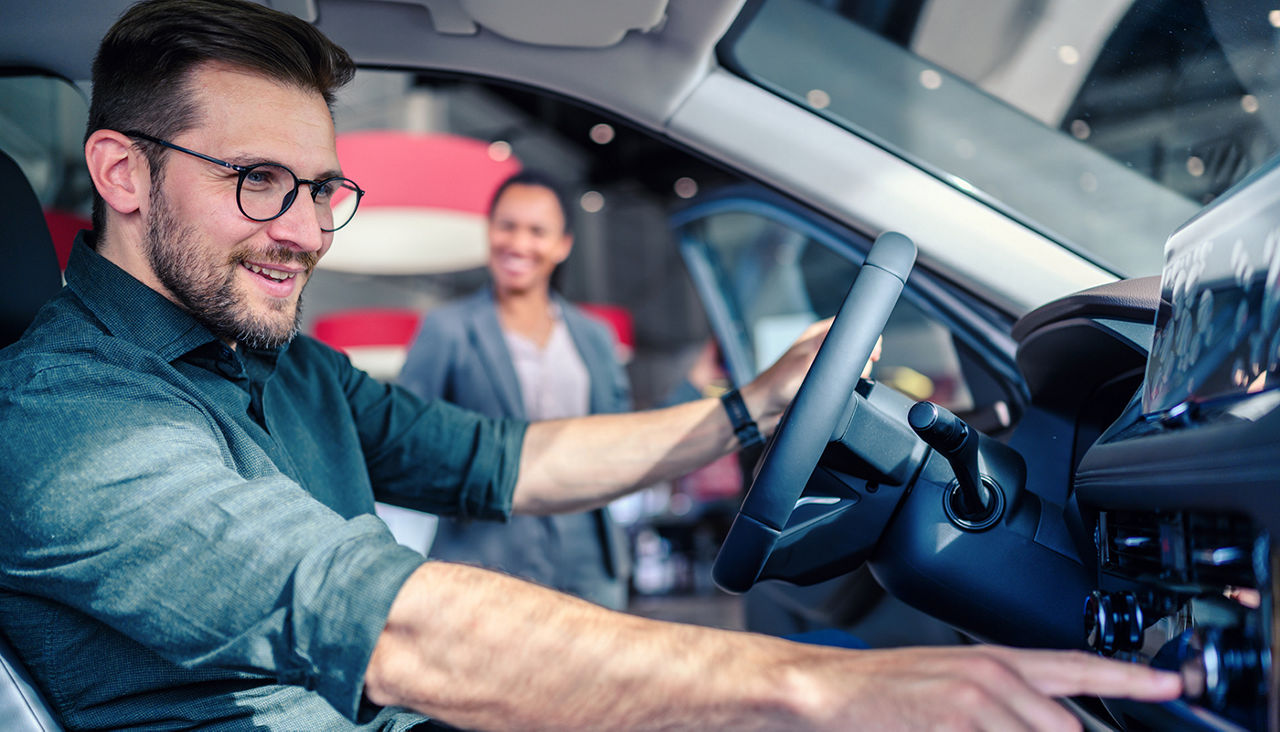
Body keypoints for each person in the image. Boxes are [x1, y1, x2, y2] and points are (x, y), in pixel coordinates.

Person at [0, 1, 1182, 730]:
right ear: (120, 174)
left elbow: (509, 461)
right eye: (259, 181)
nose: (308, 231)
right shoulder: (64, 421)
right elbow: (384, 627)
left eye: (320, 190)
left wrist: (746, 410)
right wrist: (815, 695)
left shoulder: (284, 368)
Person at [399, 170, 633, 610]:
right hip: (485, 550)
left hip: (588, 553)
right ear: (489, 232)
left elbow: (620, 434)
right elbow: (410, 438)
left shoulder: (595, 337)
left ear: (563, 244)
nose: (519, 243)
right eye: (507, 226)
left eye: (537, 231)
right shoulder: (446, 329)